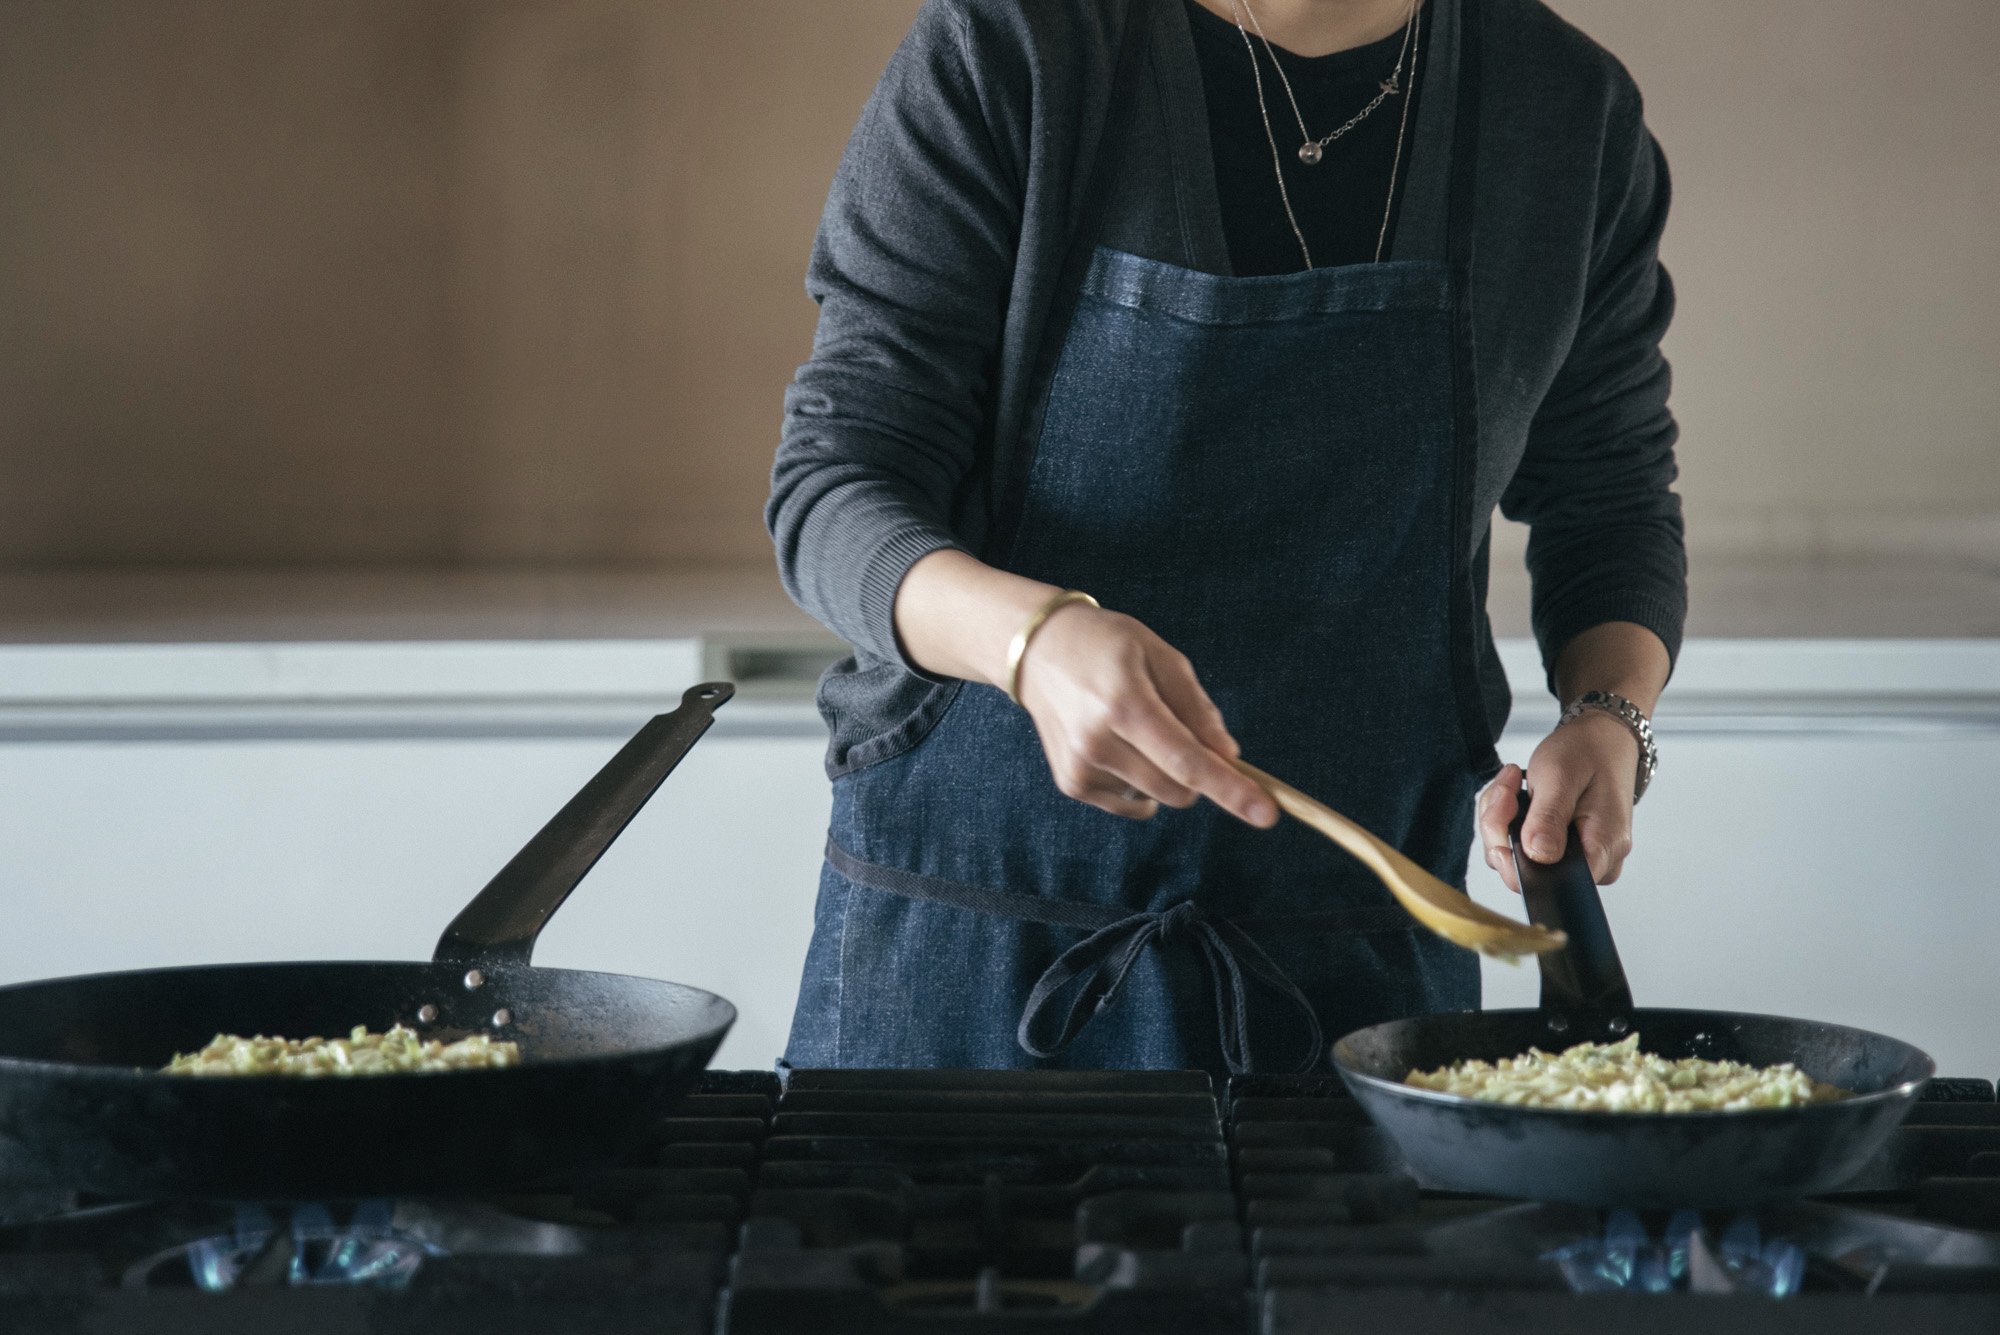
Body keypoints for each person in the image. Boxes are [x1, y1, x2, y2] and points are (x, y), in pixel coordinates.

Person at [767, 0, 1683, 1077]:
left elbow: (1610, 498)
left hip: (1356, 967)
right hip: (967, 949)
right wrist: (1032, 641)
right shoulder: (1017, 50)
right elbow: (834, 487)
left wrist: (1608, 718)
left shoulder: (1565, 109)